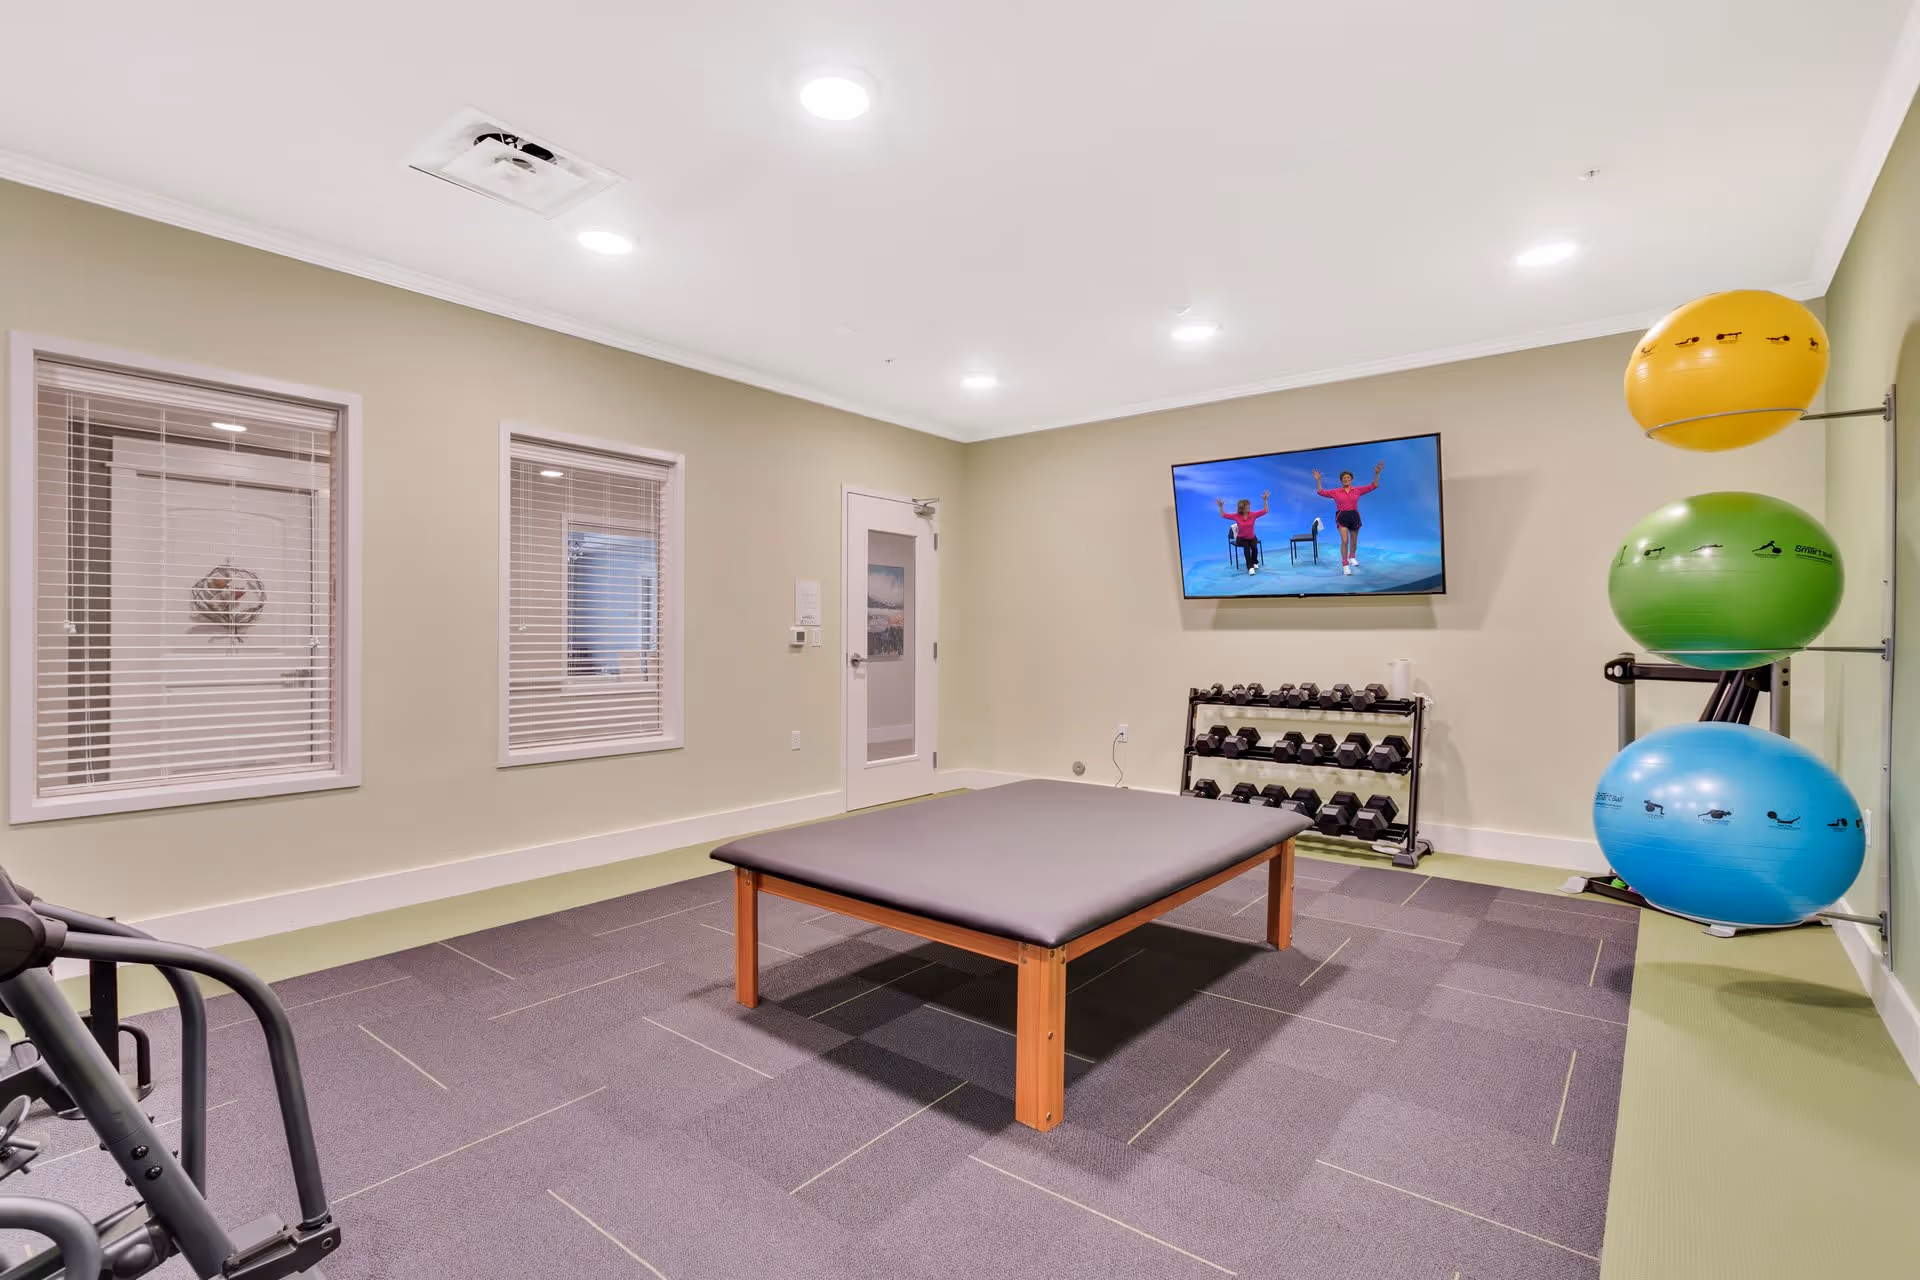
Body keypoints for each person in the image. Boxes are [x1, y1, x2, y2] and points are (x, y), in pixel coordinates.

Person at [1311, 462, 1383, 576]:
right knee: (1345, 541)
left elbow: (1373, 486)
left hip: (1354, 516)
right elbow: (1321, 492)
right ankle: (1345, 564)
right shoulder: (1336, 492)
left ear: (1351, 479)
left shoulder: (1358, 490)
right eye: (1344, 478)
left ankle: (1352, 557)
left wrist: (1377, 474)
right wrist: (1318, 480)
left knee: (1354, 542)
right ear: (1341, 480)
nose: (1346, 479)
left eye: (1348, 477)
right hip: (1342, 517)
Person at [1216, 491, 1270, 575]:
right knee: (1247, 549)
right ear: (1242, 508)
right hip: (1241, 539)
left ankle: (1254, 562)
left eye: (1249, 505)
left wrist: (1265, 500)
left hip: (1252, 537)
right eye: (1247, 506)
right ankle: (1250, 568)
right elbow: (1223, 515)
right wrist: (1220, 506)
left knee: (1254, 548)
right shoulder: (1236, 515)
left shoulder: (1253, 514)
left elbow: (1265, 511)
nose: (1249, 507)